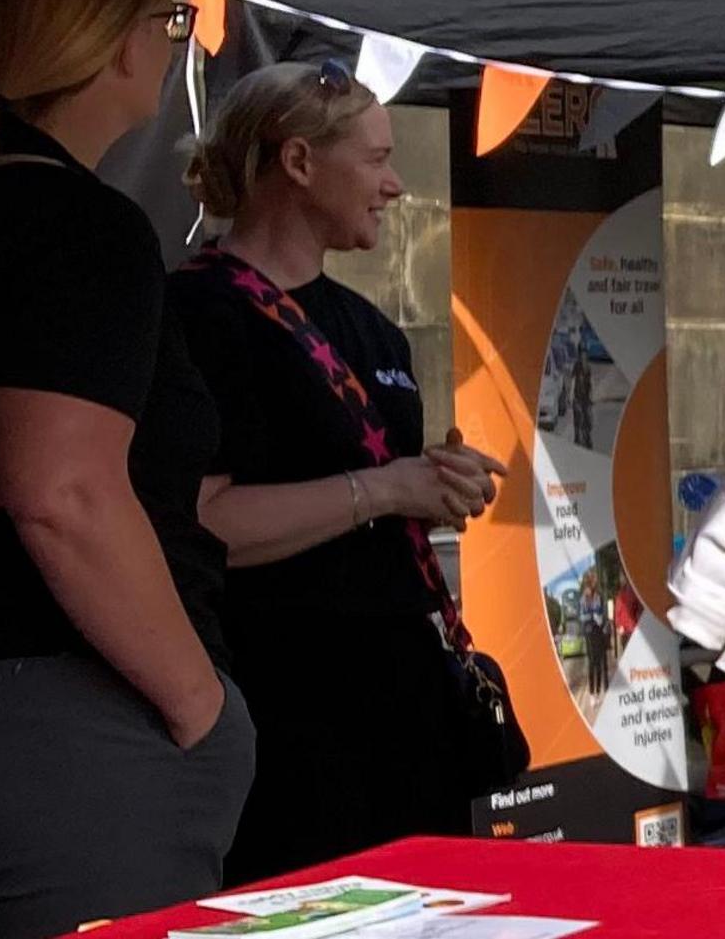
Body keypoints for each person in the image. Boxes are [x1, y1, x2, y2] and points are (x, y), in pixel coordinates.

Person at [0, 0, 252, 935]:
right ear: (118, 39)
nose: (172, 46)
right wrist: (196, 704)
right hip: (62, 728)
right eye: (169, 22)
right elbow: (64, 492)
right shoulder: (72, 224)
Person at [172, 60, 508, 880]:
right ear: (297, 162)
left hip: (406, 717)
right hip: (292, 728)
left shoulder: (373, 329)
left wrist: (433, 485)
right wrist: (389, 487)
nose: (396, 184)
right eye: (376, 158)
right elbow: (203, 521)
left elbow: (365, 497)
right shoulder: (197, 315)